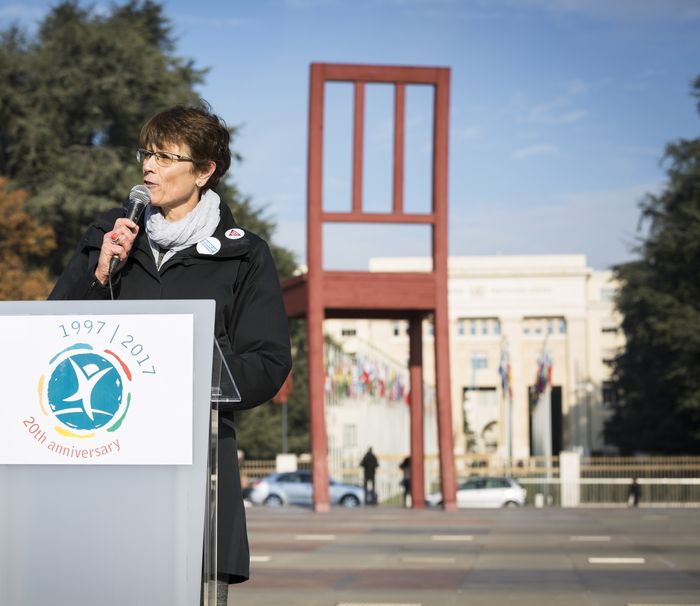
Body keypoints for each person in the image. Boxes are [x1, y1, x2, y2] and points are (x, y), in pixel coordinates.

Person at [49, 103, 292, 603]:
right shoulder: (109, 237)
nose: (148, 167)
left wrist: (188, 379)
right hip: (109, 458)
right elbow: (56, 335)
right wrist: (99, 276)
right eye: (146, 153)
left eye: (165, 156)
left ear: (205, 171)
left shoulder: (243, 253)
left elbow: (268, 361)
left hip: (197, 463)